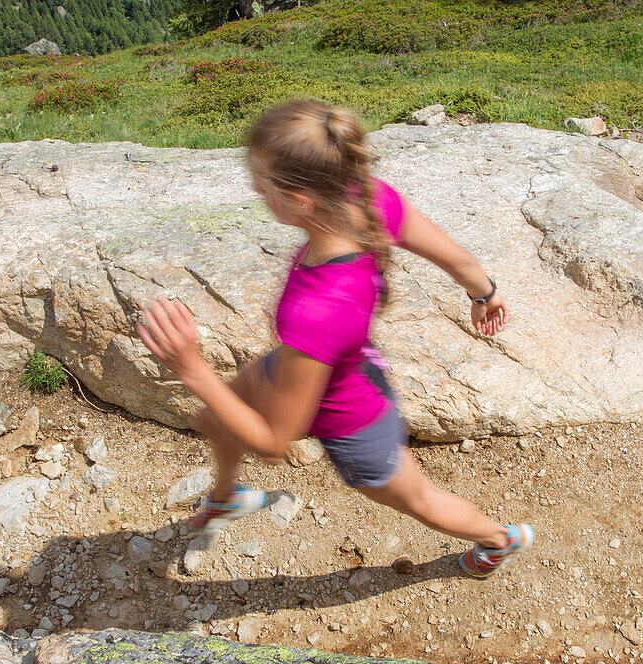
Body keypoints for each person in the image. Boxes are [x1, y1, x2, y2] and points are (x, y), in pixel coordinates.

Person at [135, 100, 533, 578]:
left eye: (261, 188)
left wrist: (191, 369)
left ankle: (498, 539)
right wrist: (483, 293)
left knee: (421, 500)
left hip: (354, 421)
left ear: (301, 201)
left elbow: (273, 443)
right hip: (310, 364)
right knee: (215, 420)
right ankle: (226, 499)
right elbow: (462, 262)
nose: (256, 195)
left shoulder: (317, 309)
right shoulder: (368, 197)